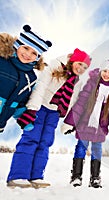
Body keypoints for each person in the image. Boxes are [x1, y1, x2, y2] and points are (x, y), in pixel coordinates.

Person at [6, 48, 91, 188]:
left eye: (85, 67)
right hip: (40, 107)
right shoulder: (56, 66)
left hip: (54, 113)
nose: (81, 68)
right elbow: (41, 86)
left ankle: (36, 176)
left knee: (45, 142)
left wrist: (69, 123)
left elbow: (72, 103)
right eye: (80, 63)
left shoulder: (77, 82)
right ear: (73, 59)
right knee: (31, 138)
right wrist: (32, 108)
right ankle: (18, 175)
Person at [61, 59, 109, 188]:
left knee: (97, 150)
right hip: (85, 123)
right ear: (100, 71)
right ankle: (76, 176)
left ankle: (95, 178)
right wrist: (70, 122)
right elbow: (80, 104)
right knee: (81, 148)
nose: (107, 74)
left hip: (100, 126)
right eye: (105, 71)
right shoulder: (91, 84)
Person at [0, 24, 51, 133]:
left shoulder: (31, 78)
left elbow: (21, 101)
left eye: (34, 53)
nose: (28, 54)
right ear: (17, 45)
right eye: (26, 48)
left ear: (37, 58)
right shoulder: (2, 61)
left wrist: (24, 118)